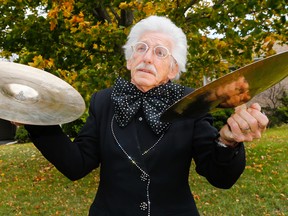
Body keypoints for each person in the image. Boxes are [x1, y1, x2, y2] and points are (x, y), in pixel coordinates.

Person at [22, 16, 269, 216]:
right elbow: (76, 165)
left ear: (173, 69)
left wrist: (227, 141)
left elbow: (220, 177)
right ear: (130, 60)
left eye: (160, 52)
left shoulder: (193, 102)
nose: (147, 57)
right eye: (141, 48)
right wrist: (36, 120)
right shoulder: (103, 100)